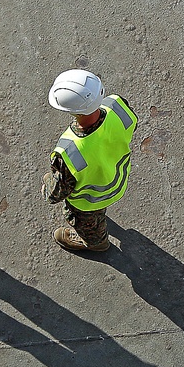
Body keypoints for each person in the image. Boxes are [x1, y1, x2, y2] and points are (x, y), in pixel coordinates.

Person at [42, 69, 138, 252]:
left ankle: (96, 243)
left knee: (89, 224)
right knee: (97, 212)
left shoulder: (69, 151)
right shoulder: (117, 104)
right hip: (118, 179)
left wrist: (48, 183)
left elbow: (56, 193)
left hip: (89, 201)